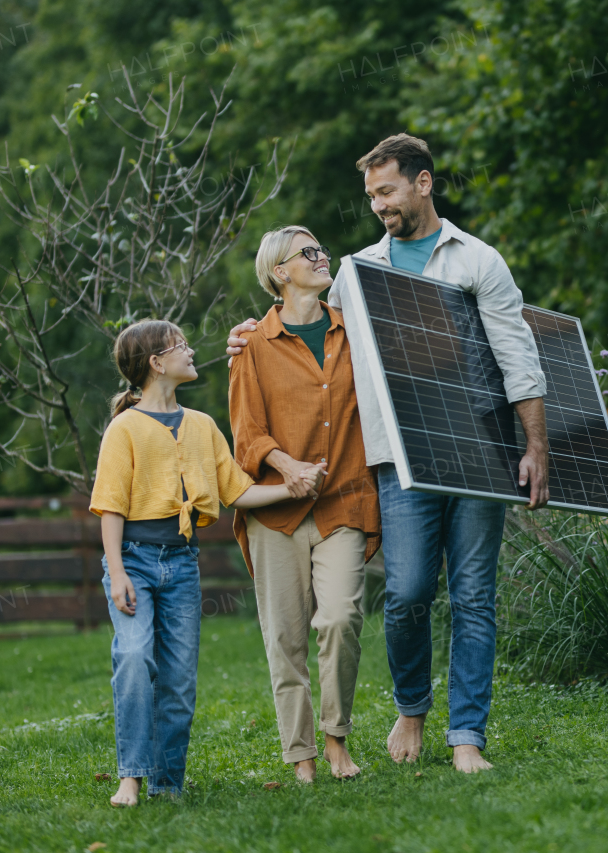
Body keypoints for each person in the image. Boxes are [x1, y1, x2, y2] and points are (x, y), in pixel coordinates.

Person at [228, 133, 550, 773]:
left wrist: (534, 444)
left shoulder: (478, 261)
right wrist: (251, 331)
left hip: (481, 451)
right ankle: (412, 707)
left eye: (387, 190)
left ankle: (466, 737)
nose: (377, 204)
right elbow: (316, 330)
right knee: (404, 593)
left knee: (474, 596)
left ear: (423, 183)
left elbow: (519, 356)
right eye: (370, 194)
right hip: (398, 461)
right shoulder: (357, 270)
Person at [90, 319, 323, 807]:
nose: (191, 351)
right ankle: (131, 776)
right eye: (181, 346)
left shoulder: (201, 426)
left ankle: (167, 783)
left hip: (181, 564)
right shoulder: (125, 428)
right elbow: (109, 504)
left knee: (179, 678)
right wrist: (117, 573)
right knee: (134, 658)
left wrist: (293, 486)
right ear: (156, 363)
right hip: (132, 560)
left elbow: (237, 491)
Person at [229, 226, 381, 783]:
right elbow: (246, 436)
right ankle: (302, 756)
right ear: (279, 274)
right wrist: (287, 466)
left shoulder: (355, 332)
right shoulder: (253, 347)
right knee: (285, 639)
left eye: (323, 250)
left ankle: (337, 739)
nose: (323, 259)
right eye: (308, 254)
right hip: (276, 513)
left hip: (343, 501)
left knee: (340, 617)